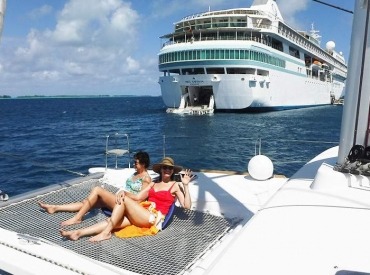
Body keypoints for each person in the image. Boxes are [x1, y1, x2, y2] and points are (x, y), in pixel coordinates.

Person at [60, 157, 193, 242]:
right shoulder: (153, 183)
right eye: (165, 167)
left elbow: (186, 206)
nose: (167, 170)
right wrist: (124, 192)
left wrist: (186, 186)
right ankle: (78, 233)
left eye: (170, 168)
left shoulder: (175, 186)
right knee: (112, 221)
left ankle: (106, 233)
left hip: (154, 217)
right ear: (161, 170)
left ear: (173, 171)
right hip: (142, 212)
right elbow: (138, 197)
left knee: (122, 203)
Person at [38, 151, 151, 226]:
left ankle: (78, 218)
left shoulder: (146, 179)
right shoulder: (135, 174)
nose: (134, 165)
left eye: (136, 163)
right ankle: (55, 208)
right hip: (119, 199)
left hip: (126, 205)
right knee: (88, 203)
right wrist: (122, 193)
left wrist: (124, 193)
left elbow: (139, 199)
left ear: (143, 164)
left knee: (97, 190)